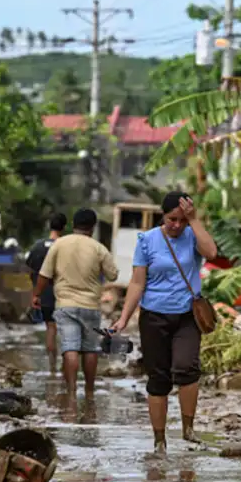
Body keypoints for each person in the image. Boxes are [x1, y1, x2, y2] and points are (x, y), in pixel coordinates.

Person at [111, 191, 217, 454]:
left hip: (186, 316)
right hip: (153, 316)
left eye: (181, 220)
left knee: (186, 368)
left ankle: (188, 429)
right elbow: (137, 282)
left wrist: (195, 220)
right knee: (158, 379)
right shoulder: (147, 240)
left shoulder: (192, 234)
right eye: (172, 219)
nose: (177, 225)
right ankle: (159, 440)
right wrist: (124, 318)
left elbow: (212, 253)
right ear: (163, 215)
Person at [33, 208, 118, 400]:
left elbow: (44, 274)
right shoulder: (98, 248)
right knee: (90, 348)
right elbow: (113, 274)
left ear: (73, 225)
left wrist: (36, 294)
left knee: (70, 347)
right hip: (91, 306)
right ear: (93, 227)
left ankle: (71, 390)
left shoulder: (59, 244)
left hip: (65, 304)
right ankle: (89, 391)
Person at [26, 212, 67, 374]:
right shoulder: (65, 246)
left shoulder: (38, 246)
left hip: (45, 294)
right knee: (66, 329)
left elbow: (30, 269)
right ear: (64, 227)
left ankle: (51, 367)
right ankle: (66, 365)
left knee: (50, 328)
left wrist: (35, 292)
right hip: (64, 293)